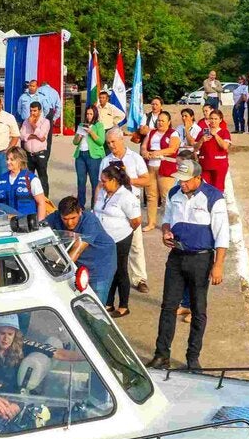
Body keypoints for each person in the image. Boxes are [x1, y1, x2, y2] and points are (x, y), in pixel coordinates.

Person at [149, 158, 229, 371]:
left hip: (201, 259)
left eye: (185, 180)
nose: (181, 184)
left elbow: (222, 234)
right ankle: (161, 354)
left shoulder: (214, 198)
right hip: (176, 256)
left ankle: (193, 358)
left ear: (197, 178)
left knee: (198, 310)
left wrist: (218, 264)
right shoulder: (174, 193)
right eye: (180, 180)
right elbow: (166, 218)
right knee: (168, 307)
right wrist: (165, 231)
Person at [101, 128, 152, 293]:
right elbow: (99, 184)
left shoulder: (135, 158)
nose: (111, 146)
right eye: (108, 143)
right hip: (112, 207)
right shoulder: (105, 161)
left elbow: (147, 180)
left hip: (130, 205)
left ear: (121, 140)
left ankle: (140, 278)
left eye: (113, 142)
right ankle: (111, 277)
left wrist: (129, 180)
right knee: (111, 244)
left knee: (136, 244)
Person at [94, 163, 142, 318]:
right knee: (108, 270)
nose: (102, 183)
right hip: (104, 239)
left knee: (120, 270)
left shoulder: (126, 197)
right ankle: (108, 302)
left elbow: (136, 220)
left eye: (105, 180)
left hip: (120, 238)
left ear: (114, 180)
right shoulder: (103, 192)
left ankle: (123, 305)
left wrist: (124, 231)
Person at [43, 196, 116, 298]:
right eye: (65, 219)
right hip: (79, 264)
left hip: (100, 265)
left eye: (73, 218)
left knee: (94, 302)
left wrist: (61, 272)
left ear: (80, 212)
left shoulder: (90, 221)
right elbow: (39, 230)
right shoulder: (55, 217)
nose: (69, 223)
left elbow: (78, 249)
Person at [140, 110, 179, 230]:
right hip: (151, 166)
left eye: (163, 121)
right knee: (151, 196)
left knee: (166, 196)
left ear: (168, 122)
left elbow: (172, 149)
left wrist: (157, 153)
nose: (160, 123)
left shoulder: (173, 133)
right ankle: (151, 223)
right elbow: (143, 147)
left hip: (165, 167)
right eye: (159, 121)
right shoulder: (151, 133)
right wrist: (145, 153)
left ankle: (170, 223)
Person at [0, 146, 48, 228]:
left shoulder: (31, 179)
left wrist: (40, 224)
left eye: (12, 159)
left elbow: (41, 203)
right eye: (7, 159)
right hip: (6, 224)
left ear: (20, 160)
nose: (8, 162)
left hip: (27, 225)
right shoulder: (2, 179)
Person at [20, 102, 52, 194]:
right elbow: (22, 136)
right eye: (31, 111)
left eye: (34, 111)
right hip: (28, 154)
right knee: (27, 178)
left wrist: (33, 125)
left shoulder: (45, 122)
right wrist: (33, 135)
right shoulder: (26, 121)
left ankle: (45, 201)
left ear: (40, 111)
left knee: (42, 178)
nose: (32, 113)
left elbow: (42, 136)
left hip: (40, 154)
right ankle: (30, 199)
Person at [199, 108, 232, 191]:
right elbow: (195, 147)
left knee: (218, 188)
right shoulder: (204, 132)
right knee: (204, 187)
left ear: (220, 120)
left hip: (219, 165)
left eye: (215, 119)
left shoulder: (224, 132)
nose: (213, 121)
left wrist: (216, 135)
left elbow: (225, 146)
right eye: (211, 119)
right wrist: (201, 140)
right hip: (205, 164)